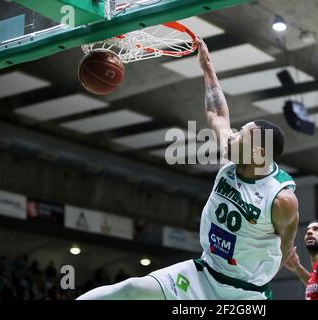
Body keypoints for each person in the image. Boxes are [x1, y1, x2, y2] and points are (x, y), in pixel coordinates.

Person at [76, 37, 299, 300]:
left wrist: (255, 271)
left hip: (245, 293)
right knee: (132, 289)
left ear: (259, 152)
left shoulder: (282, 199)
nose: (233, 134)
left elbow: (285, 248)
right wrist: (207, 68)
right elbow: (217, 113)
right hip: (203, 275)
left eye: (242, 134)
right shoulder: (233, 154)